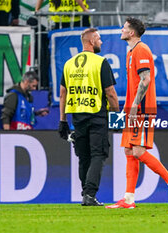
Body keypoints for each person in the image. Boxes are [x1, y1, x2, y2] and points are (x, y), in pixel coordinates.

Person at [105, 17, 168, 210]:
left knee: (139, 151)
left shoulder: (141, 50)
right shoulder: (131, 51)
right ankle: (129, 199)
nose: (121, 30)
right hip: (133, 107)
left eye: (124, 28)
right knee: (129, 151)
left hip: (142, 108)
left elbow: (145, 80)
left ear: (132, 33)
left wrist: (134, 105)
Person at [59, 28, 119, 206]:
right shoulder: (100, 62)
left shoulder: (69, 64)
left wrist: (62, 120)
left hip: (77, 116)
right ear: (91, 42)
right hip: (97, 115)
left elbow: (63, 93)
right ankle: (90, 195)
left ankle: (86, 193)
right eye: (99, 39)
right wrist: (117, 118)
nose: (101, 42)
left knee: (83, 157)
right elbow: (111, 93)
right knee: (98, 154)